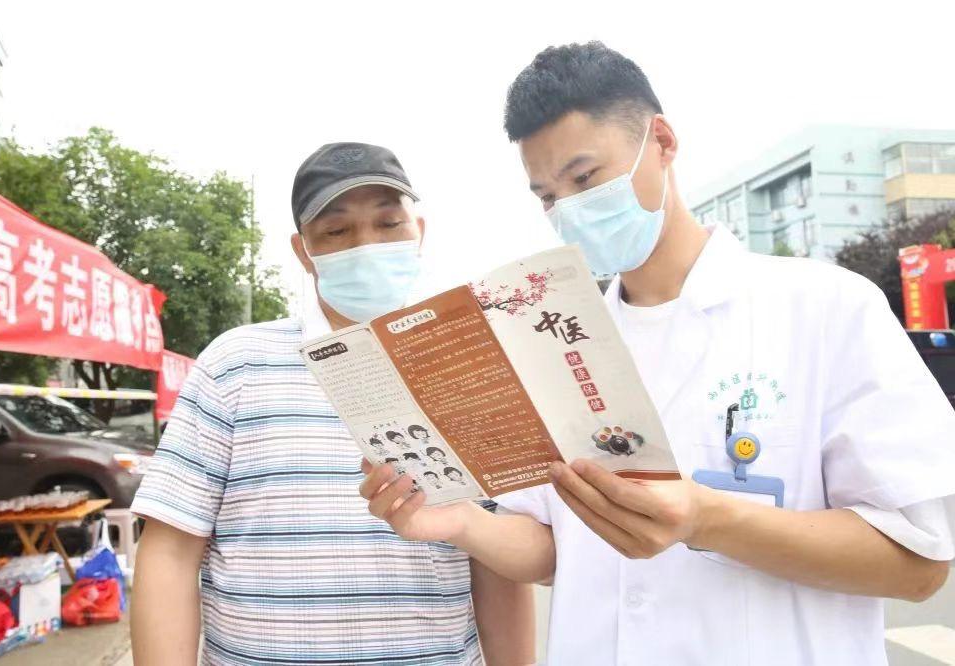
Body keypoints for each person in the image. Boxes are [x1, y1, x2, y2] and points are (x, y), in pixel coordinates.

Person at [360, 43, 955, 665]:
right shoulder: (552, 343)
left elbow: (918, 563)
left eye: (585, 178)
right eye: (546, 196)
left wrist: (705, 520)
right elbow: (551, 547)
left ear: (662, 142)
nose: (569, 211)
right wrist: (457, 522)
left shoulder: (827, 308)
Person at [131, 142, 534, 665]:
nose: (366, 244)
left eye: (389, 224)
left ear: (420, 233)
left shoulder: (469, 370)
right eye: (338, 231)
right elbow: (168, 551)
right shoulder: (237, 364)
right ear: (304, 251)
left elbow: (498, 562)